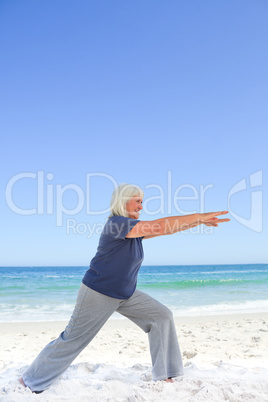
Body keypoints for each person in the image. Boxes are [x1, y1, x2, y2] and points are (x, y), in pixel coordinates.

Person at [20, 183, 230, 393]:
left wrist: (199, 222)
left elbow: (168, 229)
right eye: (138, 201)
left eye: (142, 201)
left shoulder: (134, 230)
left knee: (161, 316)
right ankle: (31, 380)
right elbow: (161, 225)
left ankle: (166, 374)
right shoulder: (117, 224)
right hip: (98, 293)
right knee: (73, 339)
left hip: (126, 294)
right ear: (123, 201)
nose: (141, 206)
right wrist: (200, 215)